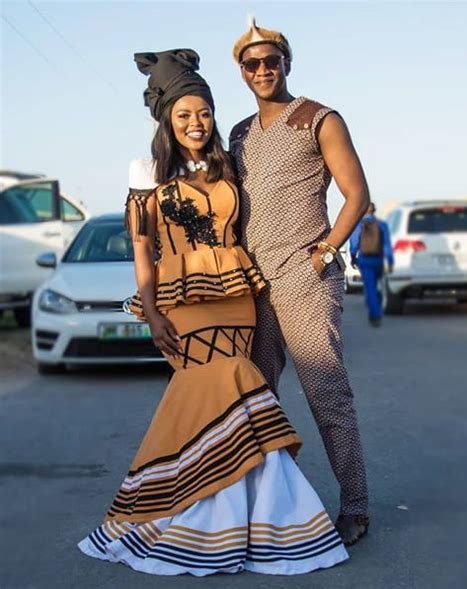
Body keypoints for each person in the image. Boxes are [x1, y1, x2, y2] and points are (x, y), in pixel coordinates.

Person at [77, 48, 348, 576]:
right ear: (165, 121)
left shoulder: (227, 163)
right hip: (185, 303)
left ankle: (259, 522)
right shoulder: (148, 171)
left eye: (203, 113)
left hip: (237, 297)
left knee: (242, 399)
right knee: (204, 397)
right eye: (183, 115)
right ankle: (197, 521)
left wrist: (318, 249)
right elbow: (142, 250)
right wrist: (152, 313)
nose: (196, 123)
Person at [229, 19, 371, 545]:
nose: (263, 70)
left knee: (325, 391)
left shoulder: (319, 118)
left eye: (272, 61)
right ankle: (269, 508)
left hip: (305, 274)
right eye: (252, 64)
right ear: (241, 72)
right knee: (256, 398)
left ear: (286, 63)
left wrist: (325, 252)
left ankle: (354, 504)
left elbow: (357, 194)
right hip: (253, 283)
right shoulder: (240, 133)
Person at [350, 202, 394, 326]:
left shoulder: (359, 225)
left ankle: (375, 315)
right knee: (375, 284)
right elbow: (387, 245)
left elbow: (354, 244)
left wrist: (353, 257)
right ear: (374, 211)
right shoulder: (382, 225)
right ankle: (375, 301)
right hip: (378, 259)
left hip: (365, 259)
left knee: (370, 286)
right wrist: (390, 261)